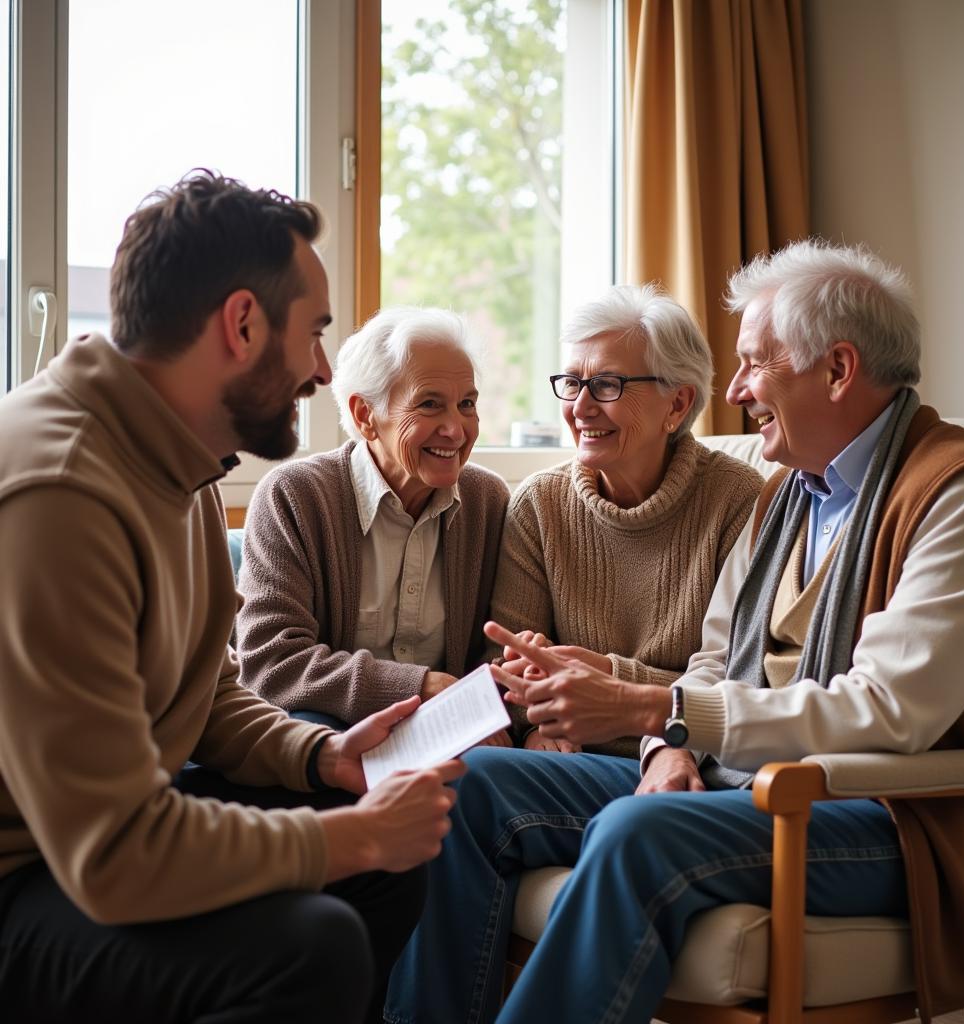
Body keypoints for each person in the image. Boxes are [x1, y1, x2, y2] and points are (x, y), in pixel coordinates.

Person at [385, 240, 964, 1024]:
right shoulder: (789, 497)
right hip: (744, 783)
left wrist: (658, 716)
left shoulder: (960, 497)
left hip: (892, 818)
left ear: (838, 369)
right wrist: (669, 749)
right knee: (470, 788)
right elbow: (716, 663)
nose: (743, 390)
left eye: (757, 363)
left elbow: (889, 714)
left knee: (636, 832)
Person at [0, 171, 466, 1024]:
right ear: (243, 323)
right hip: (29, 877)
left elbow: (205, 692)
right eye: (315, 334)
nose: (324, 371)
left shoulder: (180, 458)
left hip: (97, 839)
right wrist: (353, 834)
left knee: (386, 860)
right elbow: (112, 854)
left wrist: (323, 758)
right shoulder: (60, 490)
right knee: (310, 942)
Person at [488, 284, 761, 757]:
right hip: (571, 759)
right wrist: (535, 720)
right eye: (572, 382)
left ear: (676, 405)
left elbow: (746, 682)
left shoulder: (738, 501)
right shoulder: (539, 505)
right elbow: (501, 671)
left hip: (688, 760)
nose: (580, 407)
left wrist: (611, 679)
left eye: (608, 384)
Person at [236, 306, 509, 736]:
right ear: (365, 416)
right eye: (430, 405)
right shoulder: (295, 496)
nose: (456, 430)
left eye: (467, 404)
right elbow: (271, 663)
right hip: (331, 733)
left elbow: (498, 650)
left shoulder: (487, 501)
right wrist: (420, 687)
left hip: (452, 734)